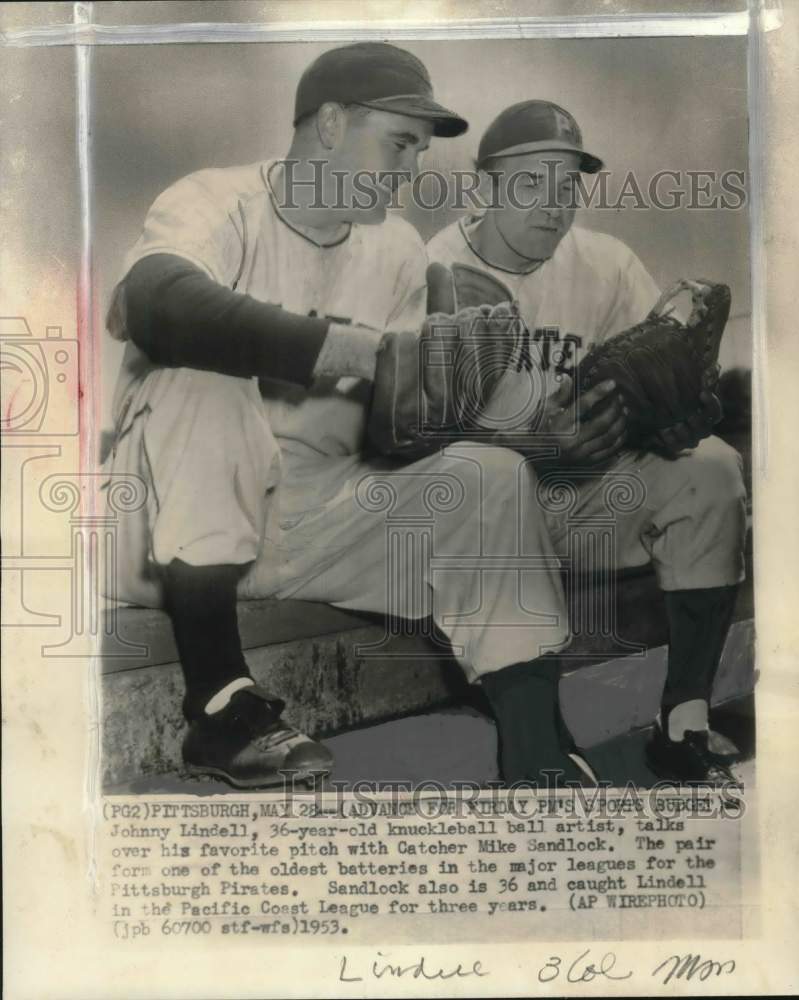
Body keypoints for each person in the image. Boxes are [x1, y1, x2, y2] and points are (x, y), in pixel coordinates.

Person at [104, 43, 595, 791]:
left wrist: (505, 424)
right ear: (330, 124)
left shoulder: (395, 249)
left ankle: (534, 747)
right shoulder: (216, 201)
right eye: (399, 142)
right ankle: (220, 707)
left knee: (489, 476)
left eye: (420, 151)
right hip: (155, 526)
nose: (411, 167)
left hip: (306, 520)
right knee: (204, 377)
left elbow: (400, 431)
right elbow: (156, 306)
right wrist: (364, 351)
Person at [426, 100, 747, 785]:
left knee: (711, 467)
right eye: (530, 183)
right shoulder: (433, 271)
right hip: (472, 522)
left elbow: (658, 381)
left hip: (580, 498)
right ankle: (534, 733)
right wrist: (533, 446)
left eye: (567, 185)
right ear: (484, 185)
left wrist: (682, 412)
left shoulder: (605, 262)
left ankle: (683, 719)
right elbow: (418, 432)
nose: (553, 205)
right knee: (489, 480)